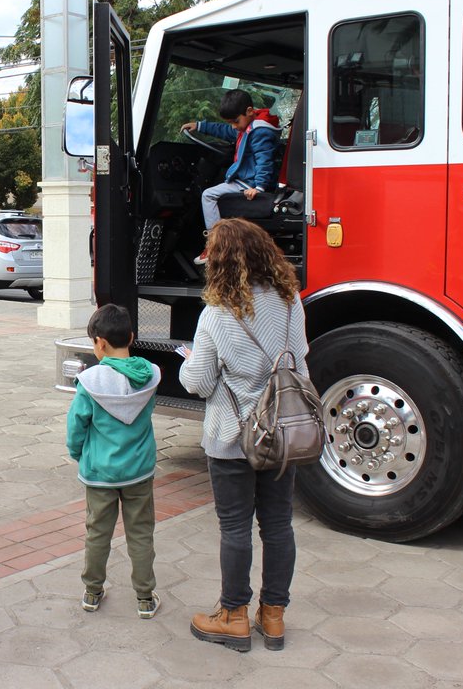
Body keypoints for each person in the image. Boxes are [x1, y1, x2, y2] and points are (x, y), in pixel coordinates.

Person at [178, 217, 308, 652]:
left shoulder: (216, 315)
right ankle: (273, 616)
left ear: (221, 262)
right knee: (278, 525)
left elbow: (198, 381)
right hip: (281, 432)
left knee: (234, 527)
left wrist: (190, 360)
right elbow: (298, 365)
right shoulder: (292, 302)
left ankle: (232, 615)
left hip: (233, 437)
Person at [66, 303, 162, 620]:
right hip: (138, 472)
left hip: (100, 474)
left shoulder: (90, 383)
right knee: (140, 534)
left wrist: (80, 454)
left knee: (97, 534)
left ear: (100, 343)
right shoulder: (148, 376)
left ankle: (92, 592)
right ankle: (145, 598)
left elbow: (76, 428)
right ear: (131, 337)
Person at [181, 89, 280, 264]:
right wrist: (200, 126)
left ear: (249, 111)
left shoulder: (258, 132)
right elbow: (225, 130)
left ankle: (216, 244)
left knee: (208, 195)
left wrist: (259, 187)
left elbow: (265, 160)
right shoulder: (247, 126)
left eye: (236, 121)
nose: (234, 126)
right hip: (245, 179)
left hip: (247, 182)